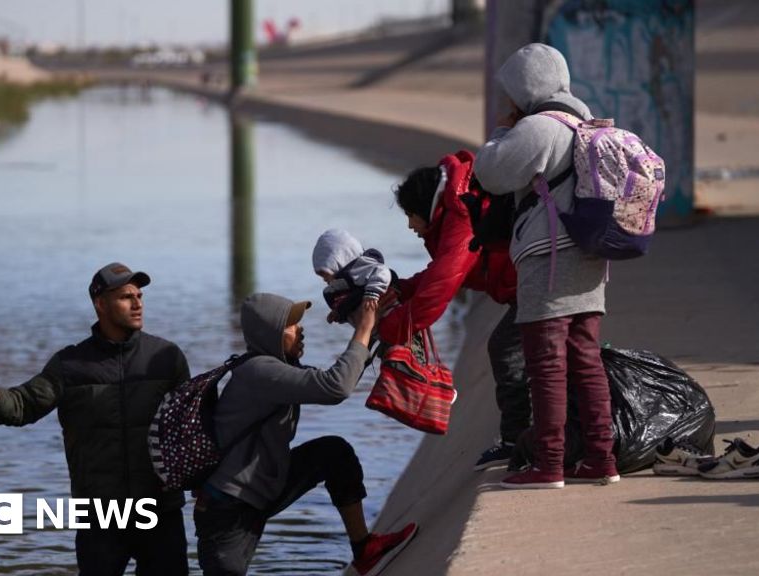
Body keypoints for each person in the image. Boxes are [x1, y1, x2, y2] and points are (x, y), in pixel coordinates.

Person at [0, 262, 191, 575]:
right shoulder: (70, 364)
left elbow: (194, 428)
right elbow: (24, 404)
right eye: (126, 296)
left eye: (139, 295)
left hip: (159, 509)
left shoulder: (166, 358)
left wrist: (205, 487)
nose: (138, 303)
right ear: (100, 303)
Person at [473, 43, 618, 489]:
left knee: (546, 364)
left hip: (548, 259)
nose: (508, 103)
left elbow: (491, 174)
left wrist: (500, 133)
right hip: (590, 254)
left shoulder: (539, 127)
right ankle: (601, 459)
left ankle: (549, 464)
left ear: (526, 86)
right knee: (586, 361)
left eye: (511, 92)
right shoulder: (583, 120)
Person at [194, 292, 417, 576]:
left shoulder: (278, 369)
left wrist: (370, 329)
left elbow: (339, 380)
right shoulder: (260, 371)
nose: (301, 330)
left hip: (263, 487)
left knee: (334, 453)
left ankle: (364, 550)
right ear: (270, 333)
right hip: (228, 507)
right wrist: (362, 329)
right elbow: (335, 387)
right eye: (290, 325)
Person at [378, 150, 525, 470]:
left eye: (409, 215)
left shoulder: (459, 217)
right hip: (532, 280)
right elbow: (441, 273)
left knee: (505, 348)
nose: (409, 225)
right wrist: (402, 289)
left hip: (538, 282)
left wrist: (386, 329)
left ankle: (518, 441)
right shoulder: (456, 210)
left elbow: (440, 288)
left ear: (424, 208)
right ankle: (536, 435)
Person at [311, 229, 392, 324]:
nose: (324, 280)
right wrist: (338, 311)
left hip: (387, 308)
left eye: (325, 274)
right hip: (373, 323)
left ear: (338, 262)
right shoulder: (339, 283)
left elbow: (382, 271)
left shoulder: (362, 266)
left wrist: (372, 293)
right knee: (329, 293)